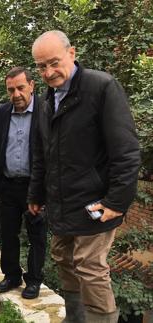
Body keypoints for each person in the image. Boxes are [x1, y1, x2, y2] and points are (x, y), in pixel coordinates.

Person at [28, 30, 140, 322]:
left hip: (96, 202)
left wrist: (116, 202)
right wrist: (36, 195)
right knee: (63, 259)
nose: (49, 72)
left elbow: (126, 151)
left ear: (72, 53)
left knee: (90, 266)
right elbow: (42, 154)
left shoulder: (101, 88)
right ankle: (76, 317)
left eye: (54, 62)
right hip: (62, 201)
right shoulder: (46, 101)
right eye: (41, 67)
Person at [0, 67, 47, 299]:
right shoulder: (2, 113)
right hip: (8, 185)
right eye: (11, 90)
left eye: (21, 88)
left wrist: (43, 192)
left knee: (37, 235)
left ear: (32, 86)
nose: (16, 94)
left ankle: (33, 280)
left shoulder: (46, 110)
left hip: (35, 187)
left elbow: (52, 154)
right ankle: (12, 275)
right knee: (9, 234)